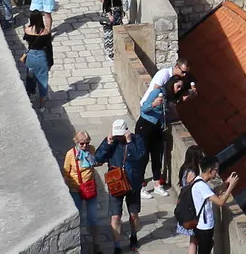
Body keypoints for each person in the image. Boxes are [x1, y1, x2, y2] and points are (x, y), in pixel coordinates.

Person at [136, 59, 189, 198]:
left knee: (157, 156)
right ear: (172, 85)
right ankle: (140, 187)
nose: (179, 89)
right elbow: (143, 109)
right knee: (143, 156)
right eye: (178, 87)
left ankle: (157, 184)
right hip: (145, 125)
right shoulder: (157, 92)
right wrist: (153, 104)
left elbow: (175, 104)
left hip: (157, 128)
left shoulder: (169, 97)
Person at [95, 117, 148, 252]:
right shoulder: (111, 142)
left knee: (133, 214)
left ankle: (134, 236)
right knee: (115, 216)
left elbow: (140, 156)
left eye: (120, 135)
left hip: (133, 184)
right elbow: (98, 158)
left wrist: (129, 142)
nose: (119, 138)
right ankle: (117, 246)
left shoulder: (137, 140)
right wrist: (107, 144)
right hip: (116, 183)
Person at [191, 157, 240, 254]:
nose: (217, 173)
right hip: (204, 227)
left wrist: (226, 182)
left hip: (200, 224)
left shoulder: (199, 180)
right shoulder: (202, 186)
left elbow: (212, 192)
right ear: (210, 170)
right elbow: (220, 202)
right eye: (216, 170)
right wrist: (231, 187)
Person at [61, 131, 101, 245]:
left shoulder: (91, 150)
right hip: (76, 189)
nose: (85, 146)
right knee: (78, 217)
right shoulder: (70, 154)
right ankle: (78, 242)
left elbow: (97, 163)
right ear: (77, 142)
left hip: (90, 188)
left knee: (93, 216)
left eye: (87, 143)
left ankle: (96, 242)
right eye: (82, 143)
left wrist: (92, 159)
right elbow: (66, 172)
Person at [20, 9, 53, 111]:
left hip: (30, 57)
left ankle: (29, 95)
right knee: (43, 80)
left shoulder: (27, 30)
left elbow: (25, 38)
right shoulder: (45, 32)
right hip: (41, 57)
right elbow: (49, 48)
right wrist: (50, 62)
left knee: (30, 77)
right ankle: (42, 105)